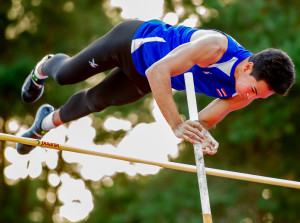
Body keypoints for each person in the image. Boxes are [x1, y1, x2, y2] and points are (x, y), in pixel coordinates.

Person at [17, 19, 295, 155]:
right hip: (130, 43)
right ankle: (45, 66)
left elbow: (202, 122)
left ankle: (43, 125)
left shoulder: (242, 95)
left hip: (144, 77)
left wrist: (202, 137)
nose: (249, 96)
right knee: (66, 75)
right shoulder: (216, 46)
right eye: (254, 90)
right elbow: (159, 69)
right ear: (248, 67)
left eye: (260, 97)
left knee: (96, 101)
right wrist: (176, 124)